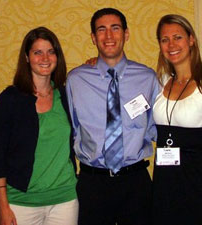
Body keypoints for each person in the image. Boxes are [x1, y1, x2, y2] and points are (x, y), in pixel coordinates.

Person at [66, 8, 160, 225]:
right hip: (93, 183)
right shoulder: (76, 80)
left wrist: (196, 143)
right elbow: (70, 129)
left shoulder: (147, 78)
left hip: (136, 183)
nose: (109, 36)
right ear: (93, 37)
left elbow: (160, 128)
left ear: (126, 34)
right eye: (102, 29)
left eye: (115, 28)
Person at [0, 27, 78, 225]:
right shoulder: (9, 100)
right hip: (21, 202)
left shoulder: (65, 96)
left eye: (51, 51)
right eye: (37, 52)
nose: (45, 58)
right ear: (27, 57)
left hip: (64, 200)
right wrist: (2, 207)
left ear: (57, 56)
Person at [152, 14, 202, 225]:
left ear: (191, 39)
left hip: (200, 182)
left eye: (177, 37)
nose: (171, 45)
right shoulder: (159, 83)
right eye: (164, 39)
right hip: (164, 183)